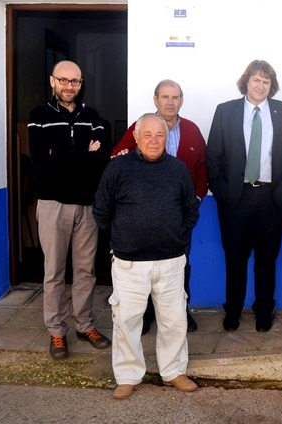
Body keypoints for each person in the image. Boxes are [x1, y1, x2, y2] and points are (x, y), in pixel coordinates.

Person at [93, 113, 200, 400]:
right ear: (136, 137)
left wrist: (177, 236)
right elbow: (101, 211)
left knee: (174, 320)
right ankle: (128, 376)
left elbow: (191, 209)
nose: (154, 140)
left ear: (167, 138)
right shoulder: (118, 169)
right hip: (129, 262)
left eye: (160, 135)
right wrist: (122, 238)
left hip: (171, 260)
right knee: (127, 320)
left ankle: (174, 371)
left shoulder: (177, 169)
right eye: (148, 135)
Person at [206, 60, 282, 332]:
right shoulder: (226, 111)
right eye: (256, 79)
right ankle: (233, 310)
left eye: (266, 81)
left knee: (266, 259)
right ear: (246, 81)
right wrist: (222, 192)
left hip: (272, 199)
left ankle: (263, 310)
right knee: (234, 258)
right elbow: (213, 156)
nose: (261, 85)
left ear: (272, 86)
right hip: (235, 199)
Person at [27, 60, 111, 359]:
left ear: (81, 83)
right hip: (53, 205)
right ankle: (56, 331)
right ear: (53, 81)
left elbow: (102, 159)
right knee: (54, 272)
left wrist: (62, 156)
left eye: (74, 81)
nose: (69, 86)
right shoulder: (38, 116)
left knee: (86, 270)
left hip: (87, 206)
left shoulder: (93, 116)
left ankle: (84, 324)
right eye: (63, 80)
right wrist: (82, 156)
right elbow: (41, 163)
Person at [111, 79, 208, 334]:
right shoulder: (141, 126)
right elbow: (119, 154)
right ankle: (145, 315)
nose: (170, 102)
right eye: (164, 97)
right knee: (145, 268)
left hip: (180, 216)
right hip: (145, 216)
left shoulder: (192, 131)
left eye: (175, 97)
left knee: (180, 265)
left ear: (181, 101)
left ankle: (180, 311)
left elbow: (201, 169)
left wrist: (195, 201)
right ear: (155, 100)